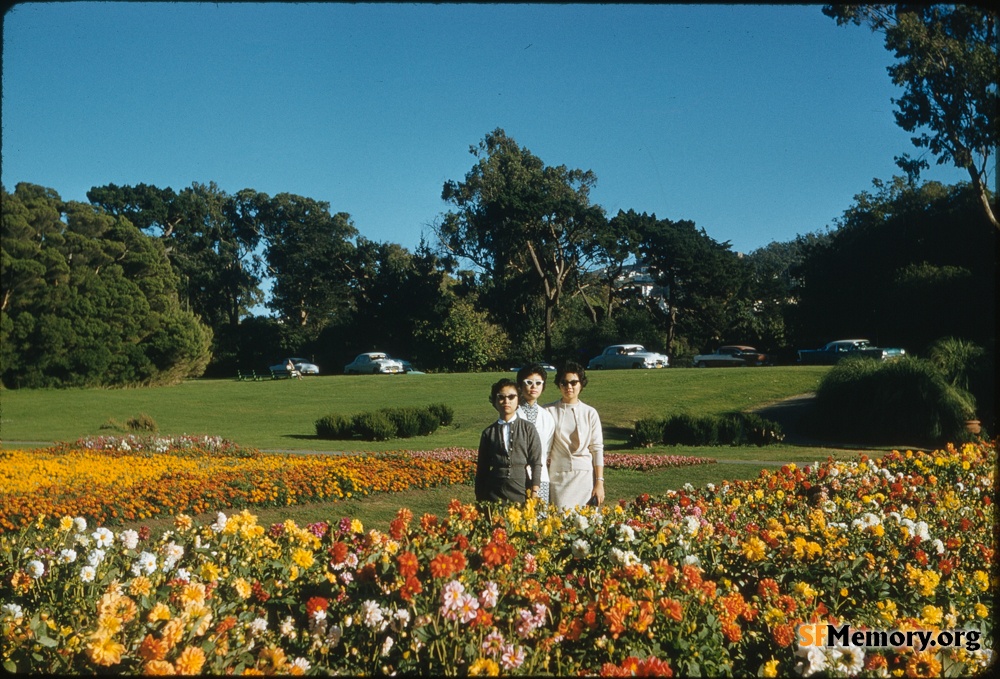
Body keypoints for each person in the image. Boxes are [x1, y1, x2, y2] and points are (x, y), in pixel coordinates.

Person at [545, 360, 604, 510]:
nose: (568, 387)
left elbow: (597, 449)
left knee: (585, 524)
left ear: (581, 384)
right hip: (558, 478)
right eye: (564, 383)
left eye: (573, 382)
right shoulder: (548, 411)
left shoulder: (590, 413)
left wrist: (599, 483)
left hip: (584, 479)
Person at [475, 378, 542, 504]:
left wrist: (534, 490)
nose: (506, 401)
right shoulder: (488, 433)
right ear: (495, 401)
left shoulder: (528, 428)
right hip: (493, 494)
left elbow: (536, 462)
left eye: (511, 397)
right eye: (501, 397)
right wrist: (480, 498)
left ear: (518, 400)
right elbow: (482, 469)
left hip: (521, 491)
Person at [516, 364, 555, 504]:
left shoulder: (547, 417)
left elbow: (547, 448)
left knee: (539, 521)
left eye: (538, 383)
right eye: (529, 382)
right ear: (520, 385)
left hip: (541, 477)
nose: (534, 387)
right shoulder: (513, 414)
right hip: (517, 478)